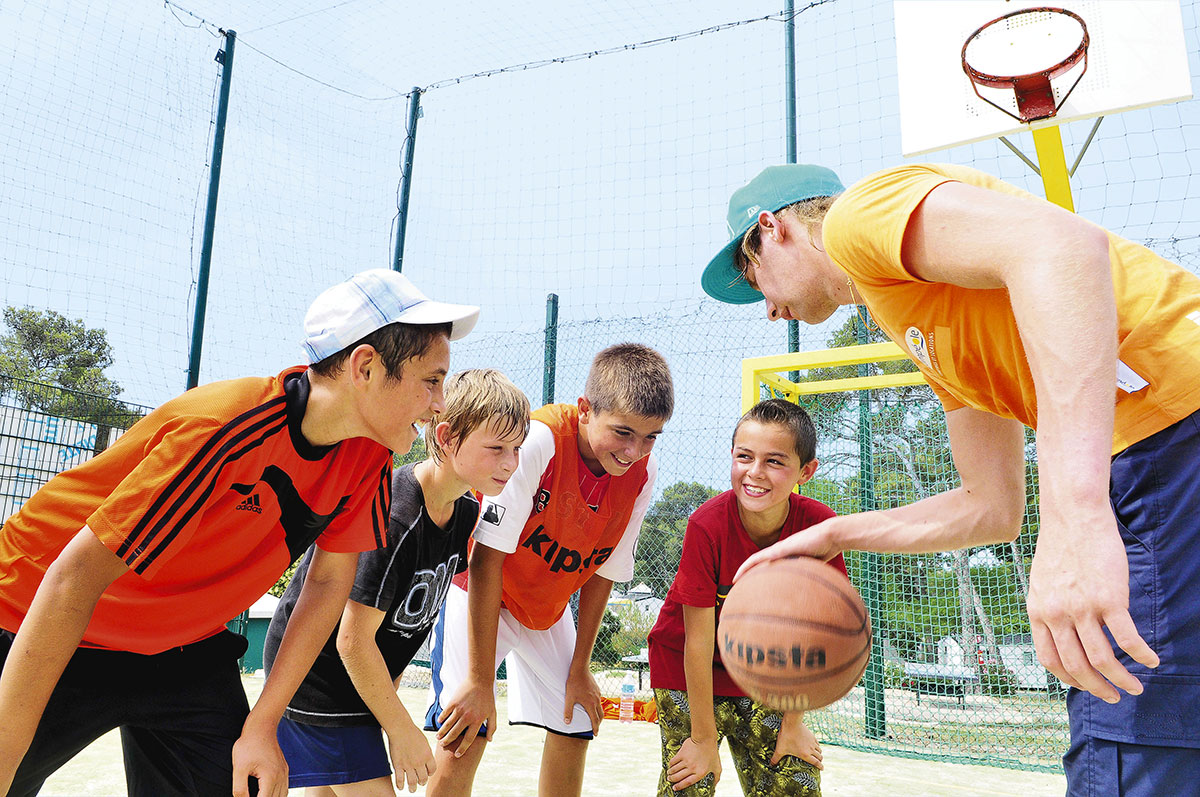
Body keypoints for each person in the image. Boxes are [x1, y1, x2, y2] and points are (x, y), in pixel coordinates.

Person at [701, 162, 1200, 794]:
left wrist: (1075, 513)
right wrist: (835, 536)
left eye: (753, 277)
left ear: (773, 229)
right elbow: (990, 506)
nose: (767, 309)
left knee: (1132, 737)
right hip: (1164, 450)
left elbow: (1063, 245)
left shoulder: (856, 220)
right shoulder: (913, 314)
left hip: (1171, 437)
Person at [0, 268, 478, 797]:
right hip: (41, 614)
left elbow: (325, 586)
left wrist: (262, 725)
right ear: (365, 366)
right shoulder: (227, 426)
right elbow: (73, 578)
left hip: (181, 645)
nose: (440, 402)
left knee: (240, 784)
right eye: (431, 380)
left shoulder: (368, 458)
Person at [423, 343, 675, 797]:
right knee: (467, 731)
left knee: (576, 719)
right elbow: (486, 558)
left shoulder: (642, 472)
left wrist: (580, 667)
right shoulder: (539, 440)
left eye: (651, 436)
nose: (635, 450)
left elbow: (605, 573)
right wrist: (481, 682)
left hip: (545, 608)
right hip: (480, 594)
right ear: (584, 410)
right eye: (622, 431)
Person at [263, 368, 529, 796]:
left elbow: (400, 628)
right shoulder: (395, 514)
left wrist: (385, 708)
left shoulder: (463, 513)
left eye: (516, 448)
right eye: (496, 448)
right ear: (444, 437)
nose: (511, 463)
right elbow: (352, 639)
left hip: (354, 684)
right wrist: (399, 728)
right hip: (317, 681)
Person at [648, 398, 843, 797]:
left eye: (774, 461)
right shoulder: (707, 525)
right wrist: (703, 740)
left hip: (763, 673)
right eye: (744, 457)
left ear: (806, 471)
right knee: (691, 781)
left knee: (794, 780)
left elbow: (812, 636)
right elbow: (698, 643)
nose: (755, 473)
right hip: (687, 669)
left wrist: (793, 724)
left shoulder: (820, 528)